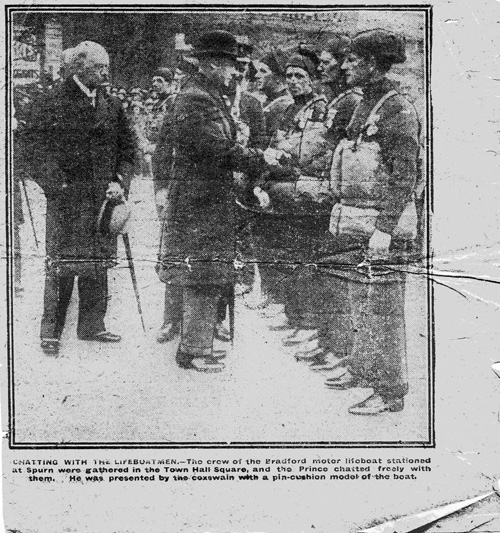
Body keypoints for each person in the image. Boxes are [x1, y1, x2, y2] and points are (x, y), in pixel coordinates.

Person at [155, 30, 285, 372]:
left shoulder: (204, 93)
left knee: (208, 274)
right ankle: (194, 351)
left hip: (205, 200)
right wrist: (262, 157)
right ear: (213, 65)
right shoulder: (198, 98)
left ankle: (197, 345)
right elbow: (218, 149)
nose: (235, 73)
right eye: (230, 66)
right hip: (201, 202)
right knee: (203, 275)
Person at [320, 29, 420, 415]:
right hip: (357, 218)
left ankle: (390, 390)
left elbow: (404, 176)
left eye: (354, 60)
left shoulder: (398, 110)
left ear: (375, 64)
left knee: (383, 307)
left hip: (381, 224)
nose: (345, 66)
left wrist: (386, 227)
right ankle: (362, 370)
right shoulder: (366, 103)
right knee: (359, 297)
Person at [21, 41, 136, 356]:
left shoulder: (112, 105)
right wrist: (58, 186)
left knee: (98, 260)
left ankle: (92, 324)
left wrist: (119, 181)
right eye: (100, 67)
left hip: (103, 199)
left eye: (106, 67)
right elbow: (33, 150)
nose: (105, 73)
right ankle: (51, 331)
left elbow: (128, 150)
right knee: (62, 263)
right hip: (68, 200)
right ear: (79, 68)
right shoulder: (51, 102)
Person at [253, 50, 293, 145]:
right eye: (257, 71)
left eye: (263, 71)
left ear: (279, 77)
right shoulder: (262, 99)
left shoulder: (286, 104)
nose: (256, 75)